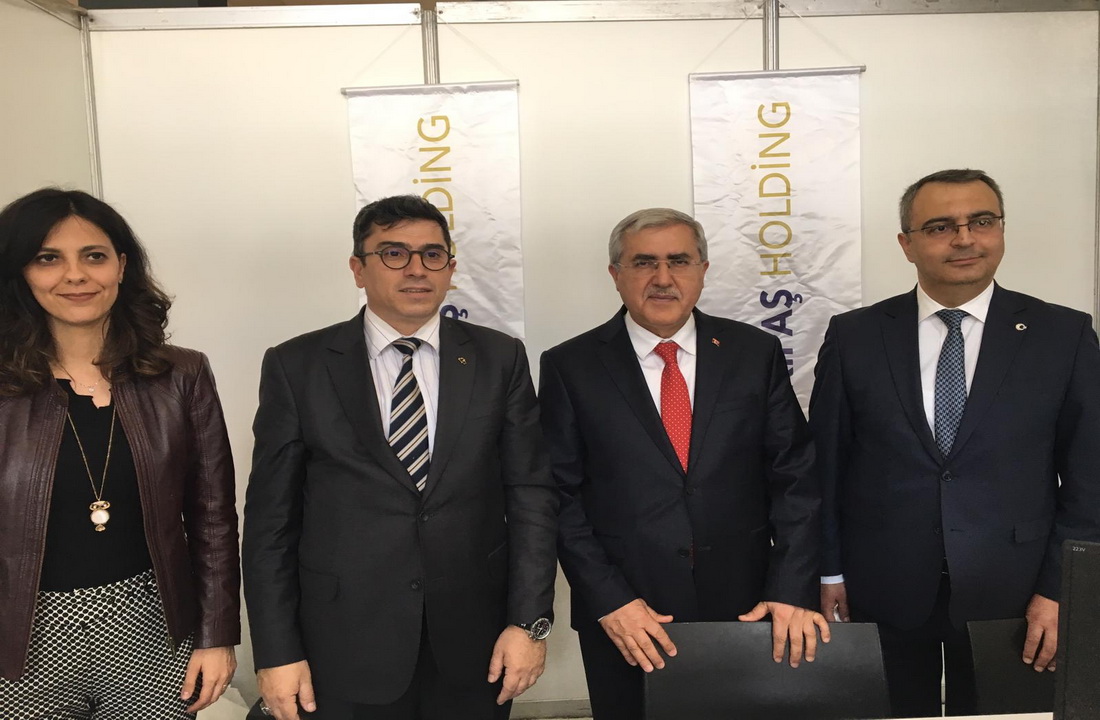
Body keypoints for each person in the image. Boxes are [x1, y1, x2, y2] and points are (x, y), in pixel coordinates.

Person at [242, 194, 558, 720]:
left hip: (475, 645)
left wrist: (530, 623)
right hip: (342, 646)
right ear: (357, 268)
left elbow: (531, 496)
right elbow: (270, 523)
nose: (416, 269)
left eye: (432, 255)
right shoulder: (297, 365)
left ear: (450, 269)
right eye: (393, 253)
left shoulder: (499, 358)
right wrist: (276, 651)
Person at [810, 168, 1100, 717]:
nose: (965, 239)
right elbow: (825, 467)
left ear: (1001, 230)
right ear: (907, 244)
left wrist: (1065, 590)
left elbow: (1091, 477)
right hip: (882, 586)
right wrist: (828, 571)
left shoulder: (1062, 335)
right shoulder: (855, 336)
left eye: (982, 221)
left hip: (1018, 593)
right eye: (941, 226)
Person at [538, 207, 827, 720]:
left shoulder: (753, 352)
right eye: (643, 262)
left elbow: (795, 477)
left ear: (703, 270)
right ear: (616, 274)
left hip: (750, 607)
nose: (663, 278)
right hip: (628, 616)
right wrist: (609, 599)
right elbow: (559, 496)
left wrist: (791, 588)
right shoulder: (569, 365)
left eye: (679, 261)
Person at [0, 188, 240, 718]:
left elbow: (213, 519)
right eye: (48, 258)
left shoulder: (182, 375)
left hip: (153, 630)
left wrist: (216, 635)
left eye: (94, 255)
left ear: (122, 266)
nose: (76, 276)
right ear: (20, 272)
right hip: (17, 641)